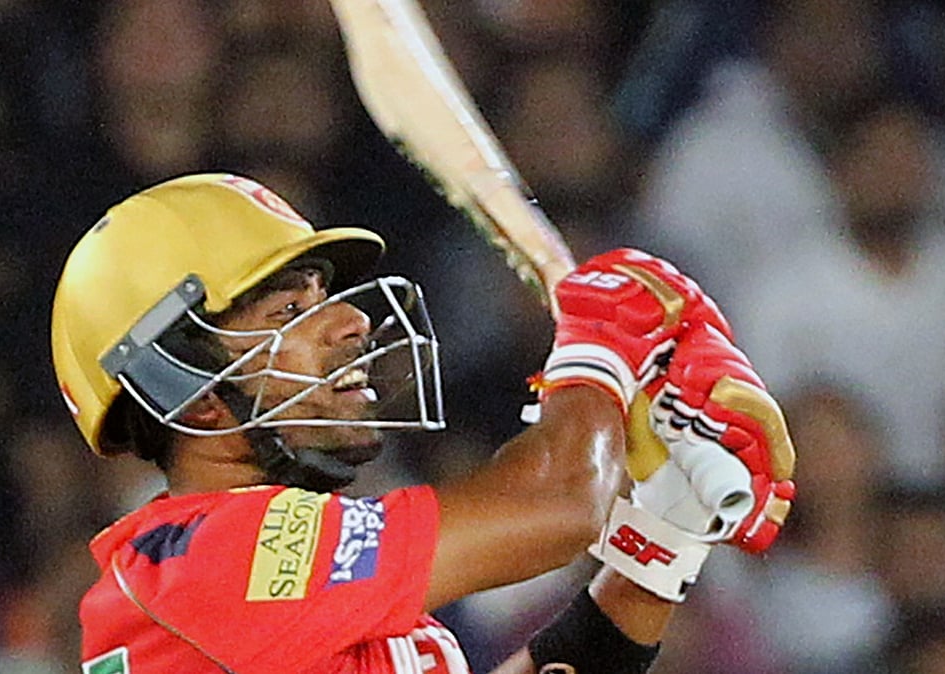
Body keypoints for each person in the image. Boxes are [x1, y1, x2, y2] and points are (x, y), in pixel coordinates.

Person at [50, 173, 796, 673]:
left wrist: (660, 545)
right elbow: (558, 506)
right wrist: (600, 353)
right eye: (288, 312)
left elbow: (565, 509)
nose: (349, 320)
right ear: (190, 392)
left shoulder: (272, 582)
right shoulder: (199, 559)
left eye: (322, 296)